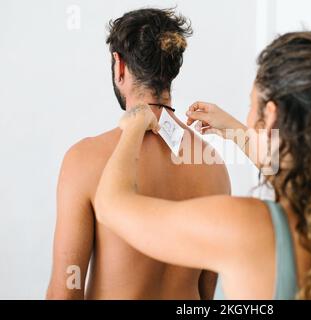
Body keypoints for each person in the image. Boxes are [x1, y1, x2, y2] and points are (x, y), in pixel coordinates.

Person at [94, 31, 311, 299]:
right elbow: (303, 174)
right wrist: (238, 132)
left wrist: (134, 126)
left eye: (251, 105)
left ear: (273, 116)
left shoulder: (247, 226)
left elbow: (111, 205)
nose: (249, 117)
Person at [46, 8, 230, 300]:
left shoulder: (84, 159)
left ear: (119, 66)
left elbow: (65, 291)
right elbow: (205, 294)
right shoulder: (213, 166)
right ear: (172, 69)